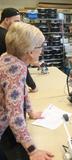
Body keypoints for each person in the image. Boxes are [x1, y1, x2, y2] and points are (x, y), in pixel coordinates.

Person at [0, 22, 54, 160]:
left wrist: (31, 112)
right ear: (30, 52)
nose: (41, 50)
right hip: (4, 132)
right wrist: (33, 150)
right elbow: (15, 116)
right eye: (40, 47)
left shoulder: (7, 57)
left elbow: (22, 89)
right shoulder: (16, 70)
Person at [0, 7, 38, 92]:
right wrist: (33, 85)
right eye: (16, 21)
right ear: (6, 20)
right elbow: (20, 62)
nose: (18, 24)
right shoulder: (9, 37)